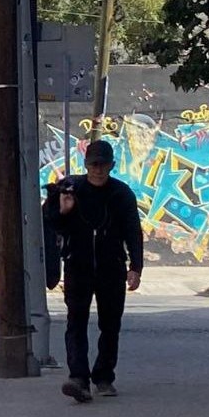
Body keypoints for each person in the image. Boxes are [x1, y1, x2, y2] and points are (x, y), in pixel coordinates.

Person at [44, 139, 143, 403]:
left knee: (110, 324)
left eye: (103, 165)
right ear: (86, 165)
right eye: (93, 164)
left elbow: (134, 231)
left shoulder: (121, 194)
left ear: (111, 166)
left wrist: (136, 267)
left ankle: (104, 376)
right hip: (78, 265)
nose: (98, 170)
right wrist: (64, 211)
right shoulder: (71, 189)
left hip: (112, 267)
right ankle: (78, 378)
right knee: (75, 322)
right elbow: (52, 223)